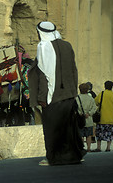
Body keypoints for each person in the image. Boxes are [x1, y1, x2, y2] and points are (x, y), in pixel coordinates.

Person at [28, 21, 85, 166]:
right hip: (68, 95)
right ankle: (74, 156)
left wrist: (43, 97)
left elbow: (45, 74)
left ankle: (52, 157)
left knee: (52, 128)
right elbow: (74, 70)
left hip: (52, 96)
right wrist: (73, 92)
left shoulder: (43, 46)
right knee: (68, 128)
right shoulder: (67, 46)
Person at [92, 81, 113, 152]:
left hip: (101, 118)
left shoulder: (102, 94)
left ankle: (99, 147)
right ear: (112, 87)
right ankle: (108, 148)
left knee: (99, 134)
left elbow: (96, 102)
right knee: (109, 135)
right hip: (110, 119)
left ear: (104, 86)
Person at [76, 83, 96, 152]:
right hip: (89, 119)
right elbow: (94, 108)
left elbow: (75, 108)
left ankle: (81, 148)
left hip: (80, 119)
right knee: (89, 135)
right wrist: (89, 113)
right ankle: (88, 148)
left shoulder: (77, 98)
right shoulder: (91, 98)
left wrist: (80, 113)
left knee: (81, 135)